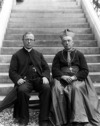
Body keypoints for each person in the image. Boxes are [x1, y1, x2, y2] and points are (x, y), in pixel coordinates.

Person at [51, 29, 100, 126]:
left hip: (77, 78)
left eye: (69, 41)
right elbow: (54, 69)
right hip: (62, 78)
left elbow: (85, 70)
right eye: (64, 41)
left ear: (73, 42)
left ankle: (78, 119)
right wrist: (62, 76)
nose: (67, 43)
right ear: (62, 43)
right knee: (56, 89)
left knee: (76, 87)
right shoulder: (58, 55)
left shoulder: (79, 54)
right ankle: (62, 119)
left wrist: (75, 77)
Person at [9, 32, 51, 126]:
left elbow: (46, 68)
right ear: (23, 41)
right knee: (22, 90)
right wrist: (18, 79)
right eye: (26, 39)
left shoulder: (39, 54)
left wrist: (45, 76)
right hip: (25, 80)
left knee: (47, 88)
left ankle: (43, 119)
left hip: (38, 79)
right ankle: (24, 118)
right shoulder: (16, 55)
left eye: (31, 39)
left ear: (34, 41)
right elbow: (12, 71)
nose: (29, 41)